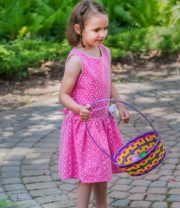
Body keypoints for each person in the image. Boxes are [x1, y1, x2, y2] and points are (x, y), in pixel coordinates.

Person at [58, 1, 130, 207]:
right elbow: (63, 94)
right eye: (96, 29)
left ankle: (102, 205)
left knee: (102, 169)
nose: (102, 34)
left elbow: (108, 82)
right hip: (85, 126)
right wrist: (78, 109)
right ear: (79, 29)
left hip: (102, 122)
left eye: (105, 28)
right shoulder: (76, 60)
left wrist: (120, 105)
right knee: (89, 174)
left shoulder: (104, 52)